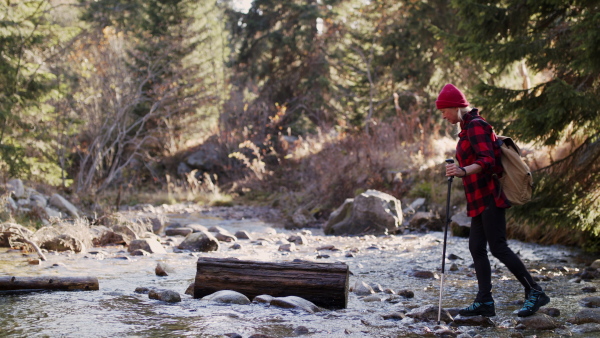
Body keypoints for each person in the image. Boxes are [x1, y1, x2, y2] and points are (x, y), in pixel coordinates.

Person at [436, 83, 550, 317]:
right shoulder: (466, 127)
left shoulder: (477, 126)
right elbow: (475, 160)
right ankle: (485, 301)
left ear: (456, 107)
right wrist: (460, 169)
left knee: (498, 247)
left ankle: (535, 291)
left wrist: (463, 171)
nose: (444, 116)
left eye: (444, 111)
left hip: (490, 196)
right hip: (478, 198)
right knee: (476, 247)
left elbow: (489, 161)